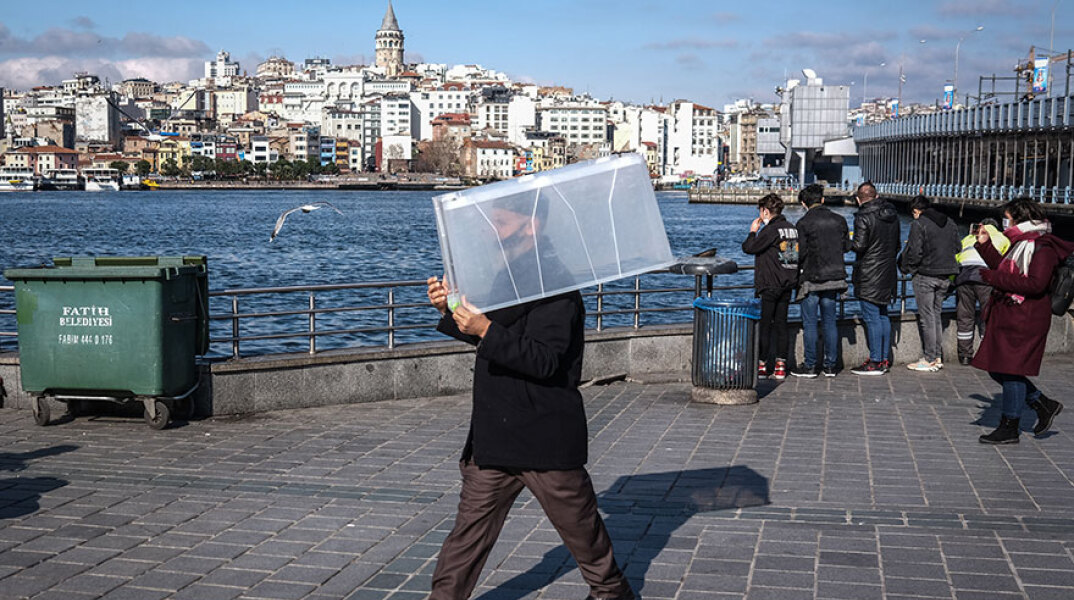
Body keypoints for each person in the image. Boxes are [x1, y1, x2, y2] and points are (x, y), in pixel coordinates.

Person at [425, 203, 634, 600]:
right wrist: (450, 311)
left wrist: (485, 328)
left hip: (543, 433)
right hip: (497, 433)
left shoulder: (554, 283)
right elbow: (492, 335)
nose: (492, 231)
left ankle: (611, 592)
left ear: (532, 225)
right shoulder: (508, 275)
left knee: (581, 529)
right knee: (466, 538)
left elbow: (545, 359)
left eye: (502, 222)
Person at [974, 198, 1073, 444]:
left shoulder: (1042, 246)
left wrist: (993, 279)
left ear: (1020, 219)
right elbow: (1006, 268)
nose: (1005, 222)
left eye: (1007, 217)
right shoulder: (1021, 243)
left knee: (1010, 371)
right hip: (1012, 315)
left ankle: (1010, 426)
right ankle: (1042, 403)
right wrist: (984, 246)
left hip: (1025, 318)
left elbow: (1036, 284)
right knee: (999, 368)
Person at [792, 184, 851, 378]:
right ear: (823, 199)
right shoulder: (839, 220)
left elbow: (799, 254)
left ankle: (810, 366)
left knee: (810, 324)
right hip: (835, 278)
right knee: (830, 322)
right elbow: (847, 246)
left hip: (811, 278)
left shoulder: (803, 223)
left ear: (803, 203)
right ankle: (831, 366)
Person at [897, 195, 960, 371]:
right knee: (936, 315)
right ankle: (937, 356)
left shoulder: (919, 224)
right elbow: (958, 247)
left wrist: (912, 268)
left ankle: (929, 358)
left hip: (925, 275)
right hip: (946, 275)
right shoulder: (950, 222)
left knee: (927, 318)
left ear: (916, 211)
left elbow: (915, 252)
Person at [741, 193, 798, 380]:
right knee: (782, 324)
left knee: (765, 325)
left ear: (765, 211)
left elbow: (750, 248)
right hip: (787, 283)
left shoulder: (771, 230)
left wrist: (752, 231)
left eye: (761, 211)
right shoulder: (791, 229)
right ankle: (781, 365)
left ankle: (763, 365)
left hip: (770, 283)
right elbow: (791, 257)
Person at [849, 181, 901, 375]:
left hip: (869, 273)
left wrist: (846, 243)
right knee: (883, 314)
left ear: (858, 199)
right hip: (887, 272)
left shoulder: (863, 216)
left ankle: (875, 361)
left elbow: (859, 246)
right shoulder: (892, 215)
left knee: (871, 317)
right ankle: (885, 358)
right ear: (876, 196)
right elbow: (897, 246)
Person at [954, 218, 1009, 365]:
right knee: (988, 315)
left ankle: (965, 356)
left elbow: (956, 258)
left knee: (965, 316)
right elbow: (1006, 263)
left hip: (964, 278)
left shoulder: (968, 238)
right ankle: (988, 353)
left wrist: (954, 280)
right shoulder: (1002, 238)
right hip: (986, 278)